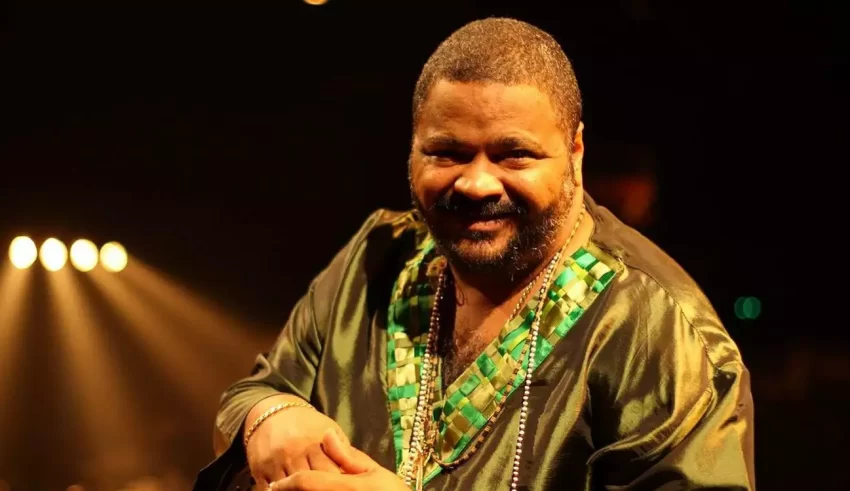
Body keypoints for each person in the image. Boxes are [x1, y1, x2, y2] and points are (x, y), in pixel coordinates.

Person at [193, 17, 755, 491]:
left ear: (575, 152)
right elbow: (255, 392)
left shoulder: (657, 328)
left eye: (515, 155)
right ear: (412, 149)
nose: (477, 183)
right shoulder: (376, 259)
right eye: (447, 152)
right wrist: (269, 416)